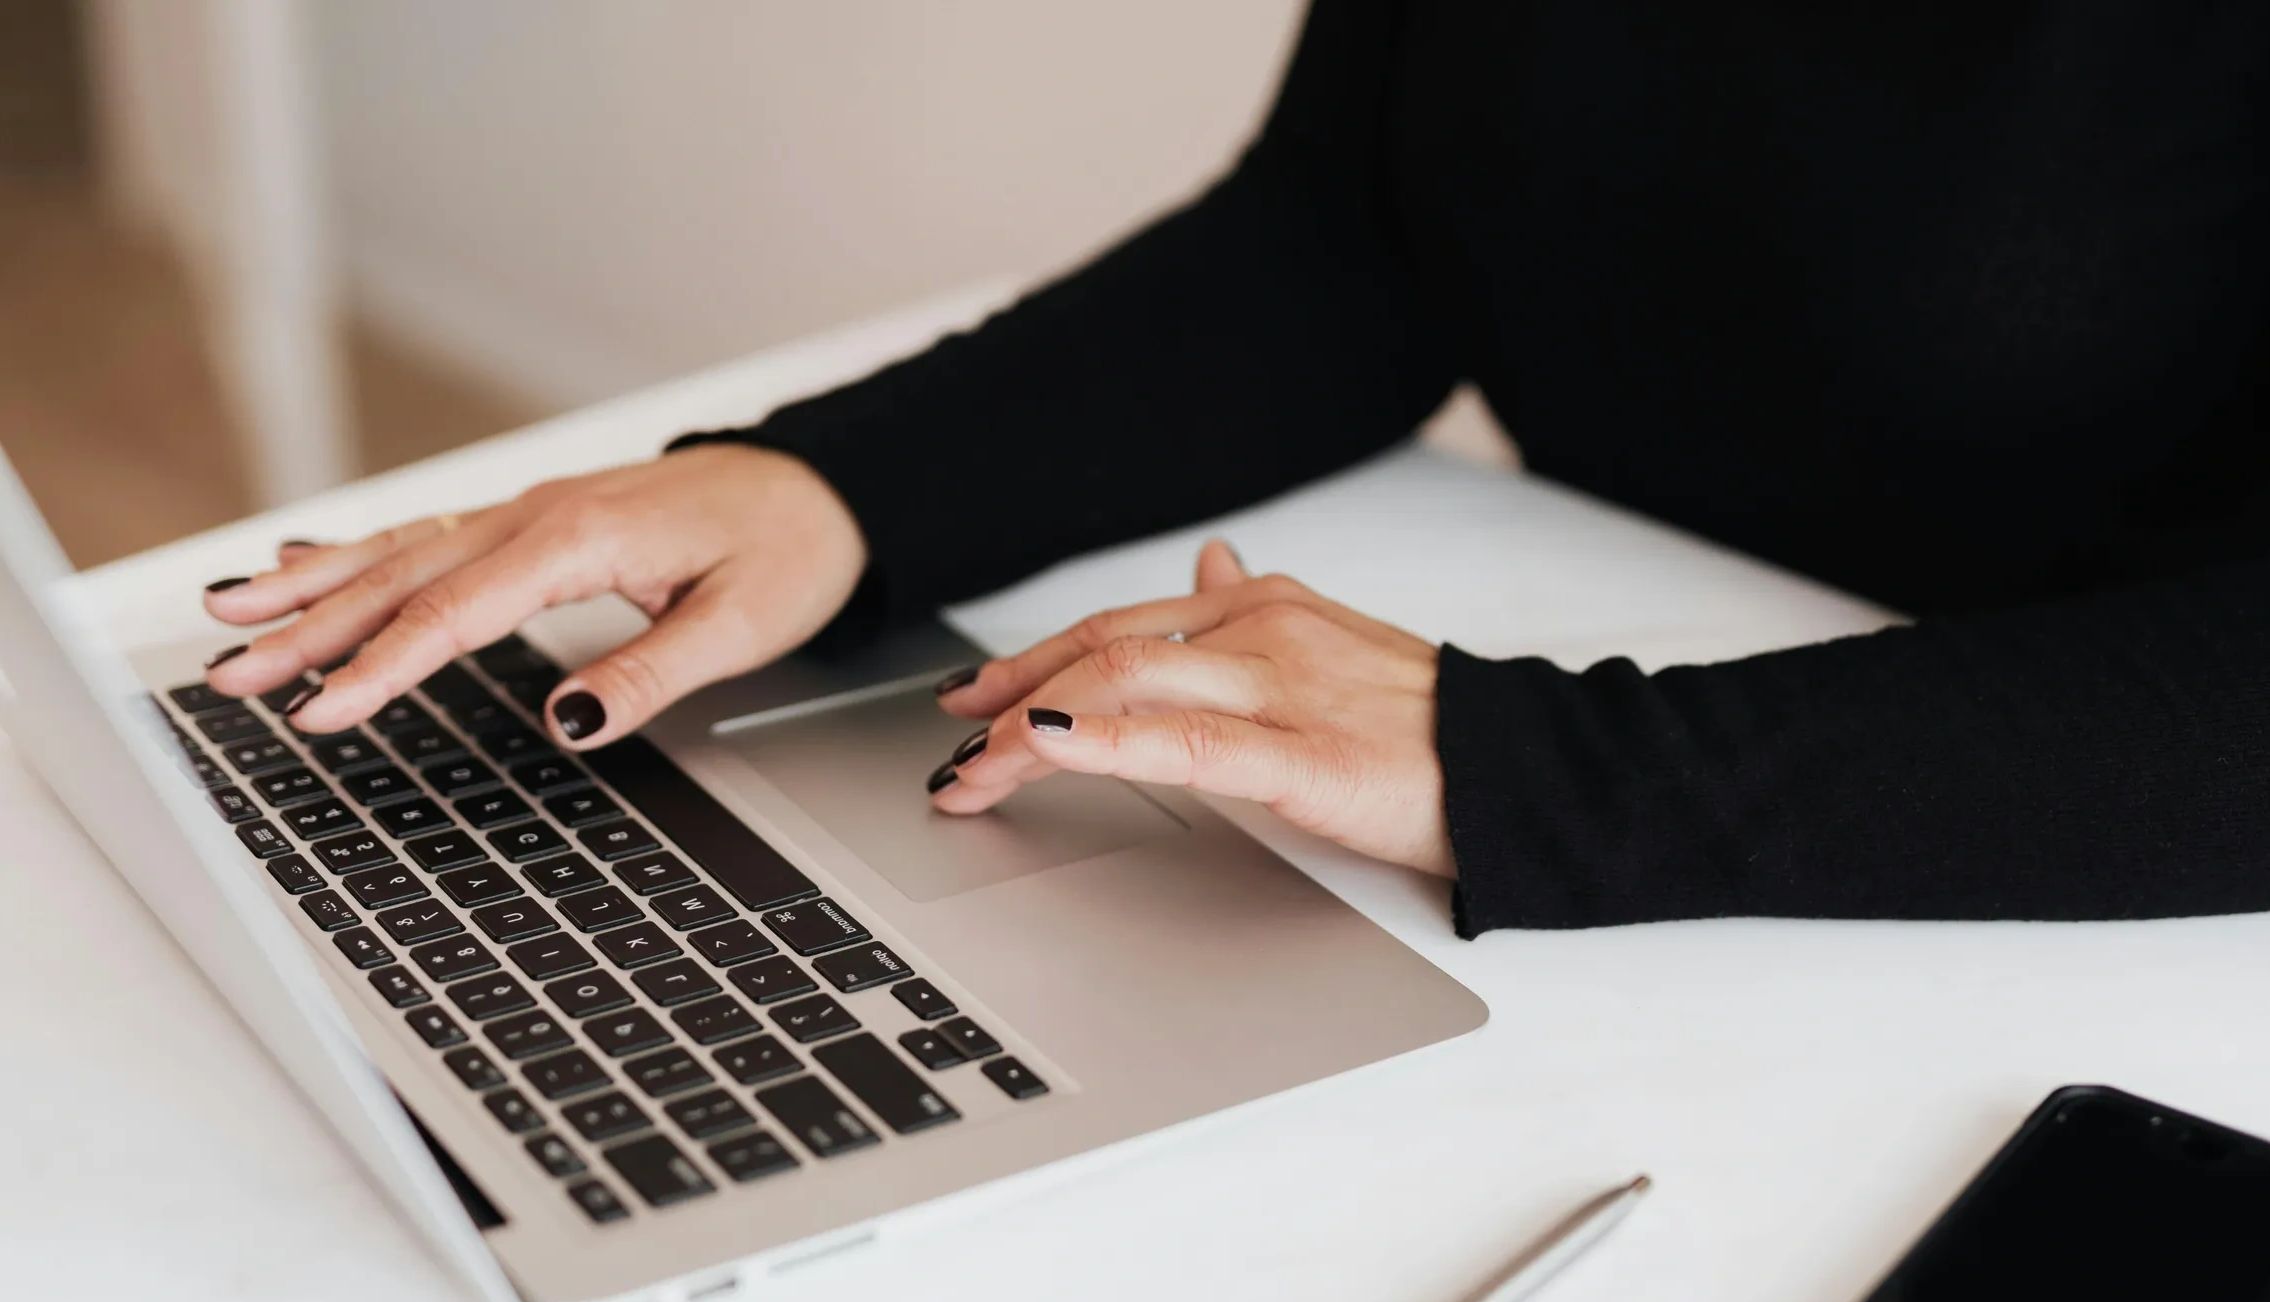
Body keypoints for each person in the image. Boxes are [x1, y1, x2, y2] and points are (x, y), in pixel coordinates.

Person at [200, 0, 2270, 933]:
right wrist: (826, 489)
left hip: (2068, 891)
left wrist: (1519, 768)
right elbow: (1360, 234)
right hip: (1642, 767)